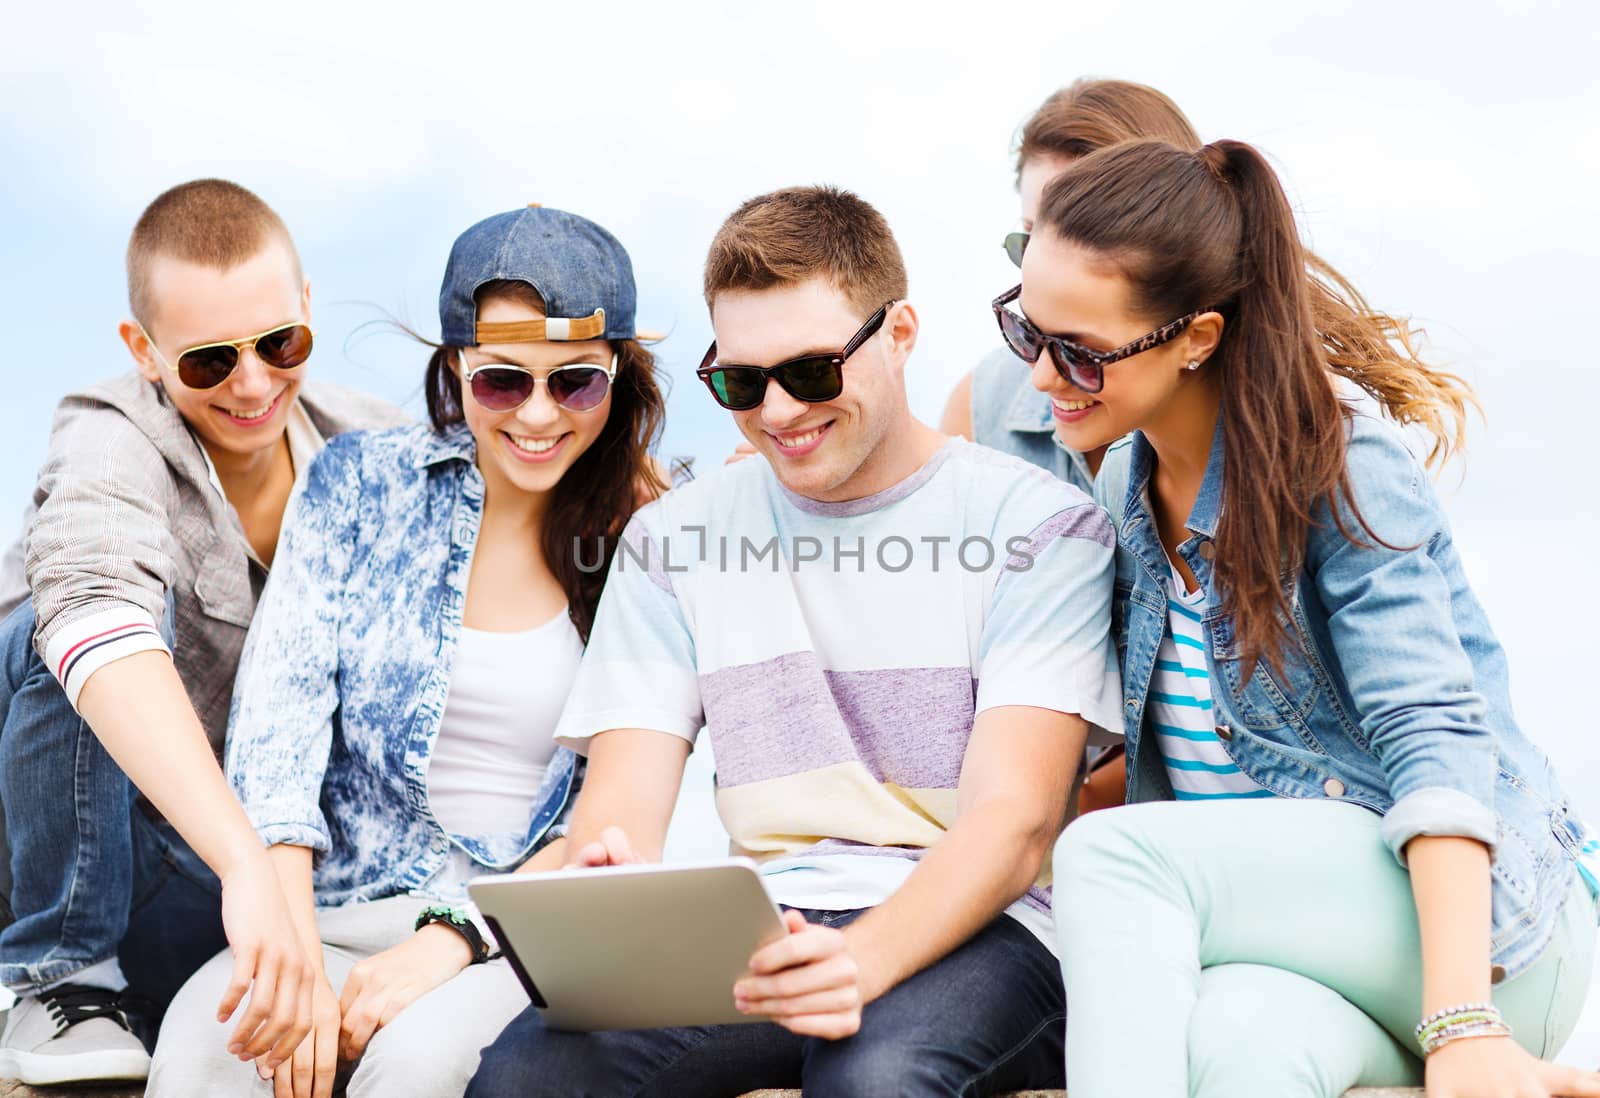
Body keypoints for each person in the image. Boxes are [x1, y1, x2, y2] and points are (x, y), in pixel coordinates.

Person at [466, 185, 1123, 1098]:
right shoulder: (673, 541)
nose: (776, 411)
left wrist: (864, 957)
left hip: (989, 926)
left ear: (898, 335)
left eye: (811, 373)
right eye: (740, 382)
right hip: (765, 918)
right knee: (527, 1079)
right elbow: (620, 808)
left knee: (875, 1080)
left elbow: (1012, 829)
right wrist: (605, 868)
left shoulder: (1043, 528)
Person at [1003, 138, 1600, 1097]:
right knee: (1242, 1050)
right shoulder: (1122, 482)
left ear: (1195, 337)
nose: (1041, 378)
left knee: (1111, 858)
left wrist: (1463, 1030)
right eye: (1027, 333)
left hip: (1481, 949)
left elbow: (1436, 736)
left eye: (1078, 352)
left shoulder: (1343, 466)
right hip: (1298, 952)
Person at [146, 205, 669, 1098]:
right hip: (335, 909)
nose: (540, 415)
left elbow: (610, 831)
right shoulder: (357, 484)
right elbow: (279, 727)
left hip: (519, 934)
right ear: (456, 365)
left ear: (617, 374)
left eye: (575, 382)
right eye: (504, 381)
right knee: (207, 1053)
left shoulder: (653, 544)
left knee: (416, 1066)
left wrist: (448, 939)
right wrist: (294, 954)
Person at [0, 180, 405, 1086]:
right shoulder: (109, 436)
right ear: (143, 351)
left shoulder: (373, 446)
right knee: (54, 628)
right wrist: (248, 861)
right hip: (75, 848)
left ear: (307, 308)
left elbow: (517, 498)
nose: (254, 383)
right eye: (209, 362)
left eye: (279, 344)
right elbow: (93, 608)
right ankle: (59, 977)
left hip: (223, 886)